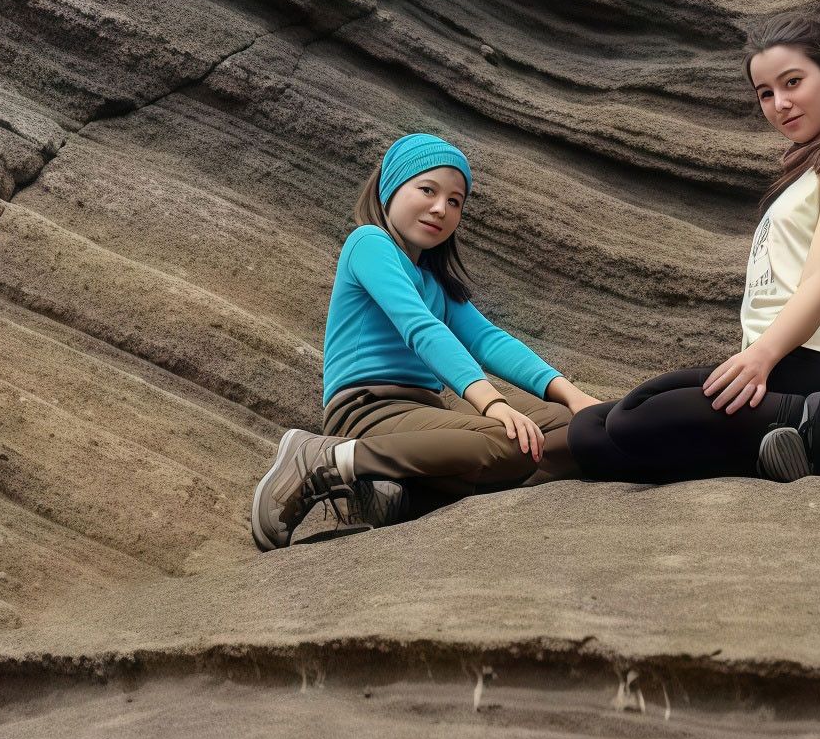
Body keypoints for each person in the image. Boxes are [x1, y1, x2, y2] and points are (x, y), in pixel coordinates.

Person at [570, 11, 820, 485]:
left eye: (792, 82)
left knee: (631, 421)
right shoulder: (801, 179)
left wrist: (761, 356)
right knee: (590, 433)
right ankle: (801, 448)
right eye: (766, 93)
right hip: (780, 362)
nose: (780, 103)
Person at [248, 131, 604, 549]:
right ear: (390, 189)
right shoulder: (368, 243)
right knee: (517, 446)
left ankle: (399, 495)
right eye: (428, 190)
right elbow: (419, 327)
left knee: (573, 428)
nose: (441, 208)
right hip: (367, 410)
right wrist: (492, 403)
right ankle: (328, 459)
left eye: (455, 201)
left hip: (428, 408)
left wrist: (574, 397)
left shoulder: (435, 281)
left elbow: (489, 340)